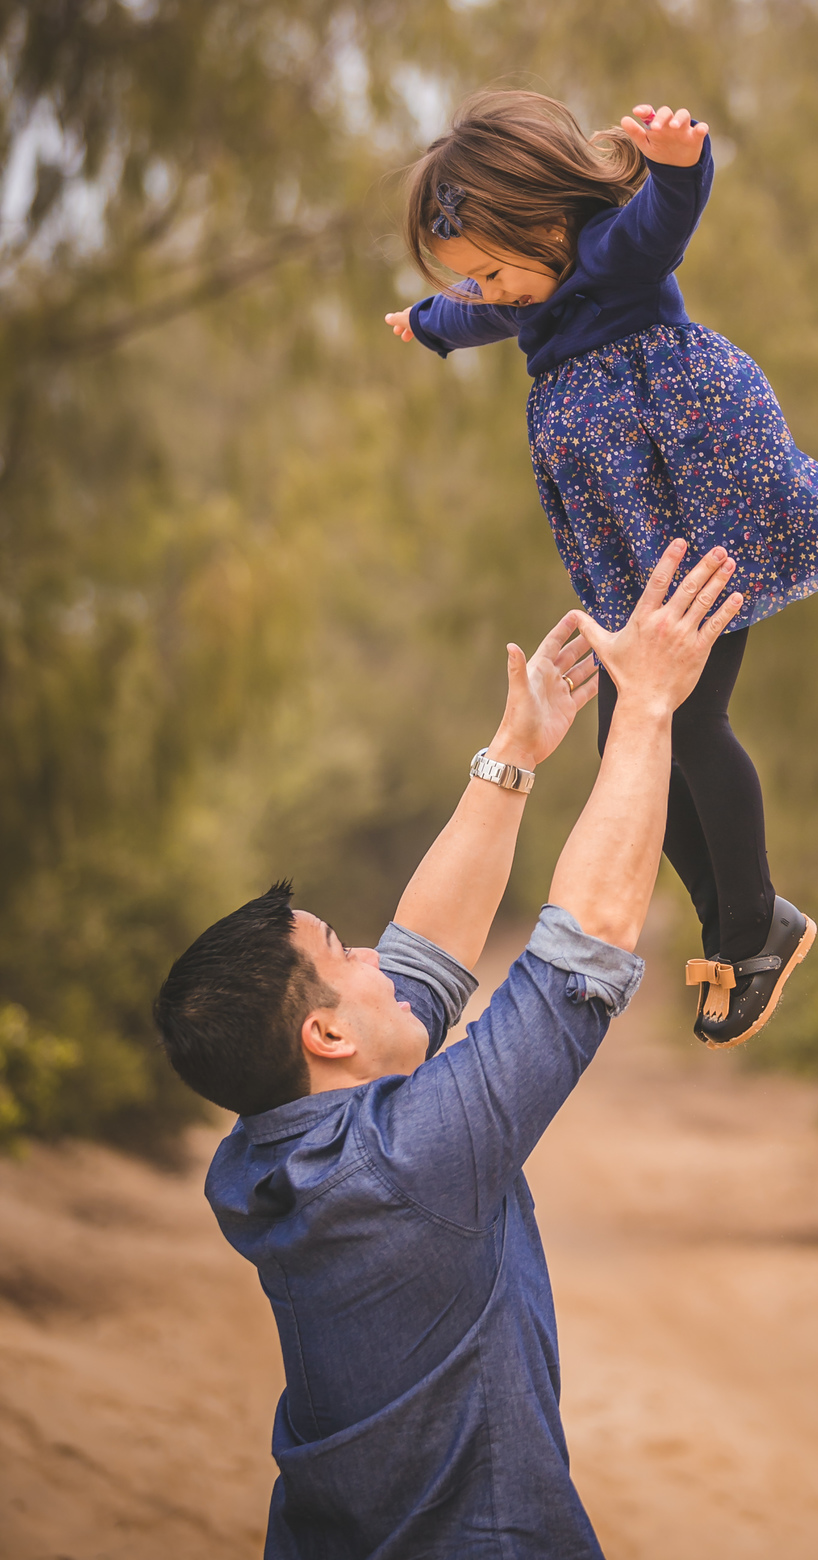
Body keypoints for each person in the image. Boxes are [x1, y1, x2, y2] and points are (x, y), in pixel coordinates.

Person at [153, 540, 741, 1560]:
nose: (379, 949)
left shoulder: (267, 1155)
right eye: (346, 951)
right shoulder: (405, 1161)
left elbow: (420, 972)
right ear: (325, 1033)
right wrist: (645, 709)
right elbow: (583, 950)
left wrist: (513, 756)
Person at [386, 90, 818, 1047]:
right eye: (474, 281)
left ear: (546, 223)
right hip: (630, 547)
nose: (490, 294)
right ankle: (746, 923)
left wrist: (677, 163)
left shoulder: (607, 258)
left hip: (695, 506)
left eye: (494, 272)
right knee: (631, 748)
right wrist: (427, 324)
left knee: (690, 721)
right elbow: (474, 318)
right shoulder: (522, 295)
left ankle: (750, 927)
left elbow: (667, 221)